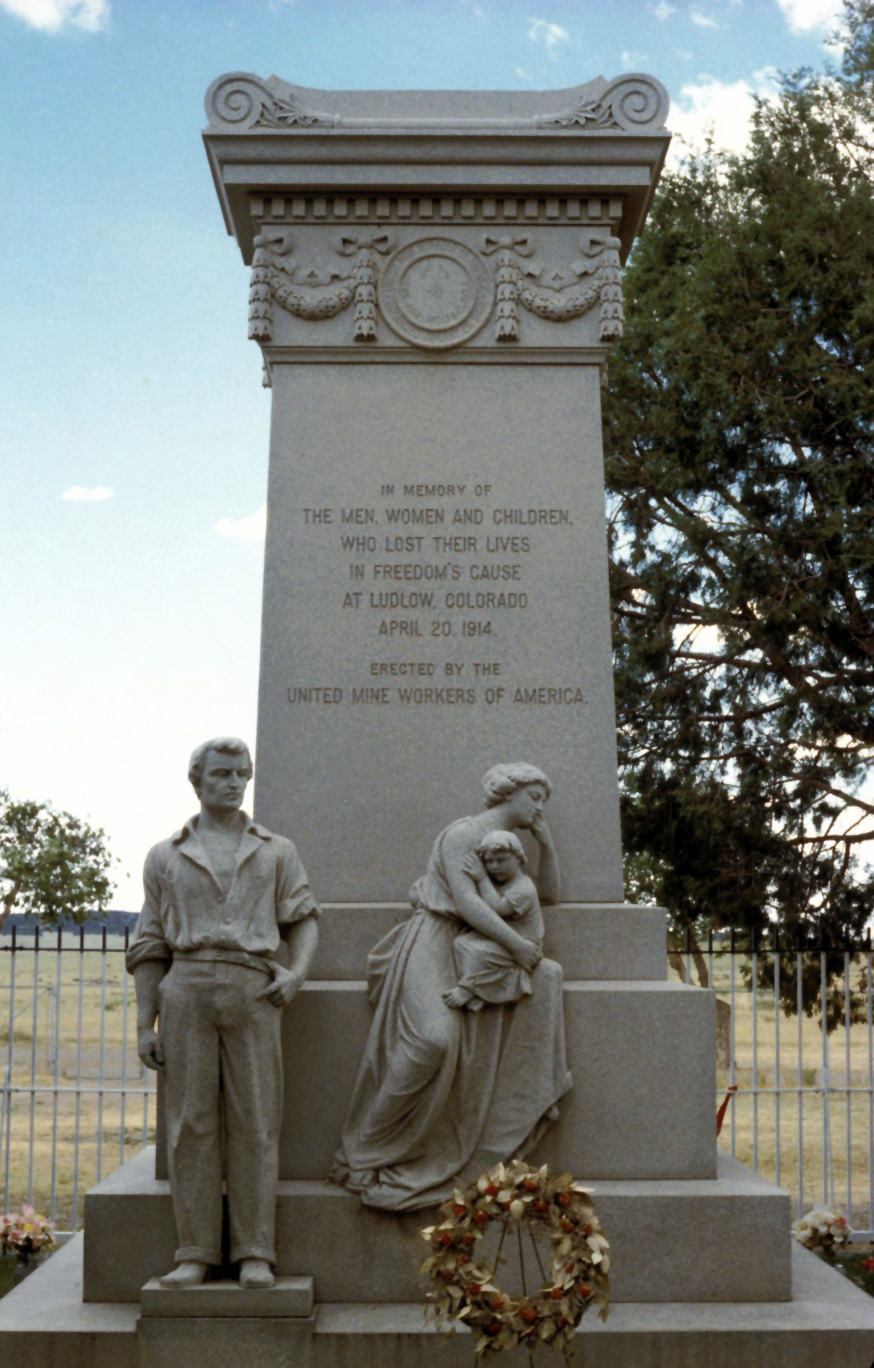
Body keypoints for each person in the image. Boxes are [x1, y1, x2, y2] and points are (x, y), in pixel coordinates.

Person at [332, 762, 571, 1212]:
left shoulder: (513, 848)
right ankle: (363, 1149)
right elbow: (465, 903)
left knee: (543, 980)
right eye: (534, 796)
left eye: (544, 800)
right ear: (508, 791)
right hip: (436, 937)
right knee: (431, 1040)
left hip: (477, 947)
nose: (540, 806)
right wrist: (518, 945)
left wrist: (547, 842)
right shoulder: (462, 834)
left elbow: (550, 896)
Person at [126, 738, 319, 1290]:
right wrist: (145, 1022)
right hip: (185, 986)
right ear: (197, 780)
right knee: (191, 1124)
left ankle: (256, 1251)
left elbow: (303, 917)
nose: (234, 783)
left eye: (242, 774)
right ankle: (196, 1252)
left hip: (253, 987)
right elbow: (150, 943)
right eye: (222, 774)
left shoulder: (276, 850)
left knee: (257, 1120)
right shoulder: (166, 855)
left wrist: (297, 972)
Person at [443, 830, 544, 1012]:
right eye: (489, 861)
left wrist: (481, 878)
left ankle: (468, 989)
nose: (494, 866)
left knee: (478, 953)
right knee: (462, 943)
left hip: (526, 942)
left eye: (501, 860)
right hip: (505, 940)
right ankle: (484, 992)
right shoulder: (504, 884)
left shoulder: (524, 889)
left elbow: (497, 908)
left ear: (519, 858)